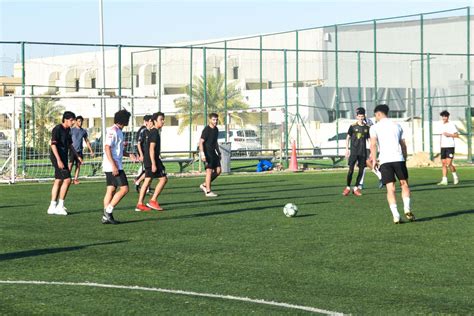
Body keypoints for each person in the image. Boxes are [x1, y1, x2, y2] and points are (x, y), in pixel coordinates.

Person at [370, 104, 415, 224]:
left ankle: (396, 215)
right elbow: (403, 144)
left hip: (385, 160)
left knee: (391, 189)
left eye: (376, 115)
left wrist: (374, 159)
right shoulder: (397, 125)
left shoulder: (374, 127)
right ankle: (407, 209)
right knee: (404, 184)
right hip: (398, 159)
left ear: (378, 114)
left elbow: (373, 144)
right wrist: (404, 157)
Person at [102, 109, 137, 224]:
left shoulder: (119, 131)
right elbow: (107, 147)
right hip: (113, 165)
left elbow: (118, 150)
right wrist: (113, 165)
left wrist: (129, 155)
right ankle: (108, 211)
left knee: (111, 189)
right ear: (124, 120)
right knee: (125, 188)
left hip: (114, 164)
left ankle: (105, 216)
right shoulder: (113, 131)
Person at [47, 111, 82, 216]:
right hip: (57, 157)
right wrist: (58, 160)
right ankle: (60, 206)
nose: (73, 122)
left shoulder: (68, 130)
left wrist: (77, 156)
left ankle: (52, 206)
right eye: (72, 120)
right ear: (66, 120)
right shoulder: (57, 129)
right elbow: (53, 145)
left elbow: (70, 145)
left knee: (58, 180)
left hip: (63, 157)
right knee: (67, 180)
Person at [136, 112, 168, 211]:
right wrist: (154, 163)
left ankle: (140, 204)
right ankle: (152, 201)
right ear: (155, 121)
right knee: (163, 179)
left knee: (147, 180)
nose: (163, 121)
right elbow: (151, 149)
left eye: (163, 119)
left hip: (149, 159)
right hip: (151, 159)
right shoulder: (154, 132)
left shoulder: (153, 131)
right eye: (161, 119)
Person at [342, 108, 370, 196]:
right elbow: (347, 138)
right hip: (354, 151)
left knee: (361, 171)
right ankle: (347, 187)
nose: (361, 118)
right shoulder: (352, 126)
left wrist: (372, 152)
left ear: (364, 116)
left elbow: (369, 140)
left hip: (363, 152)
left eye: (362, 116)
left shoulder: (367, 128)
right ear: (356, 116)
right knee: (351, 170)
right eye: (359, 116)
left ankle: (356, 188)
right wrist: (347, 150)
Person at [354, 108, 383, 190]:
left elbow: (372, 136)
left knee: (366, 163)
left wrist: (372, 151)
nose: (359, 116)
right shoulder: (359, 123)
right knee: (361, 165)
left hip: (369, 146)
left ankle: (381, 176)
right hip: (363, 146)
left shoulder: (368, 123)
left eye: (360, 114)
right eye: (358, 115)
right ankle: (361, 183)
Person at [199, 113, 222, 197]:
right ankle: (208, 191)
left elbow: (215, 142)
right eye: (213, 119)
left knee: (218, 171)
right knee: (209, 171)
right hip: (207, 153)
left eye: (216, 119)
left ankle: (205, 185)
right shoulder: (206, 130)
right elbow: (201, 142)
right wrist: (202, 155)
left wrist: (218, 152)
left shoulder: (216, 129)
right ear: (210, 120)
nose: (215, 121)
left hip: (213, 153)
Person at [68, 115, 94, 184]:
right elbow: (68, 140)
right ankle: (67, 178)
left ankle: (75, 179)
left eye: (81, 122)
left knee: (78, 165)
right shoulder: (71, 130)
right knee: (70, 164)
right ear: (76, 121)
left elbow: (87, 141)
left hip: (79, 150)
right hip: (72, 150)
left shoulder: (83, 131)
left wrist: (91, 150)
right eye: (79, 121)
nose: (80, 123)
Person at [437, 110, 459, 185]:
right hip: (443, 147)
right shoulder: (440, 125)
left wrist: (449, 134)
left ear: (448, 117)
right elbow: (441, 135)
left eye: (445, 116)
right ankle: (444, 180)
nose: (444, 118)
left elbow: (457, 135)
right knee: (443, 163)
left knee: (449, 163)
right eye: (443, 116)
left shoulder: (451, 125)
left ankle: (455, 176)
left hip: (450, 146)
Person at [134, 115, 153, 192]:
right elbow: (138, 143)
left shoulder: (146, 130)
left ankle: (145, 186)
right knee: (148, 170)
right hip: (144, 154)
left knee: (148, 170)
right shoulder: (143, 130)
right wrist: (141, 154)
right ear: (146, 122)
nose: (151, 123)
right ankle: (138, 180)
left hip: (146, 154)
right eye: (150, 121)